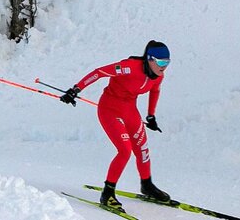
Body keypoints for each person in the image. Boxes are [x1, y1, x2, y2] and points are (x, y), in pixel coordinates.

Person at [59, 40, 173, 208]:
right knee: (125, 151)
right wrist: (75, 90)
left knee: (142, 149)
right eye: (161, 62)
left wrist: (151, 116)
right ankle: (107, 193)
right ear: (149, 59)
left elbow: (155, 91)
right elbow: (99, 72)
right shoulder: (129, 67)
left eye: (167, 62)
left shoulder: (158, 76)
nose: (164, 67)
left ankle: (147, 185)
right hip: (109, 109)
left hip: (130, 110)